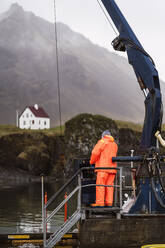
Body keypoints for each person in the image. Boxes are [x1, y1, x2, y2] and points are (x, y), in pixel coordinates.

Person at [90, 130, 118, 207]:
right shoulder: (114, 144)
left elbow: (95, 153)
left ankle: (100, 203)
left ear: (103, 136)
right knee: (109, 186)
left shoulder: (102, 142)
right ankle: (109, 203)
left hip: (103, 168)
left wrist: (92, 162)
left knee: (100, 185)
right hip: (112, 169)